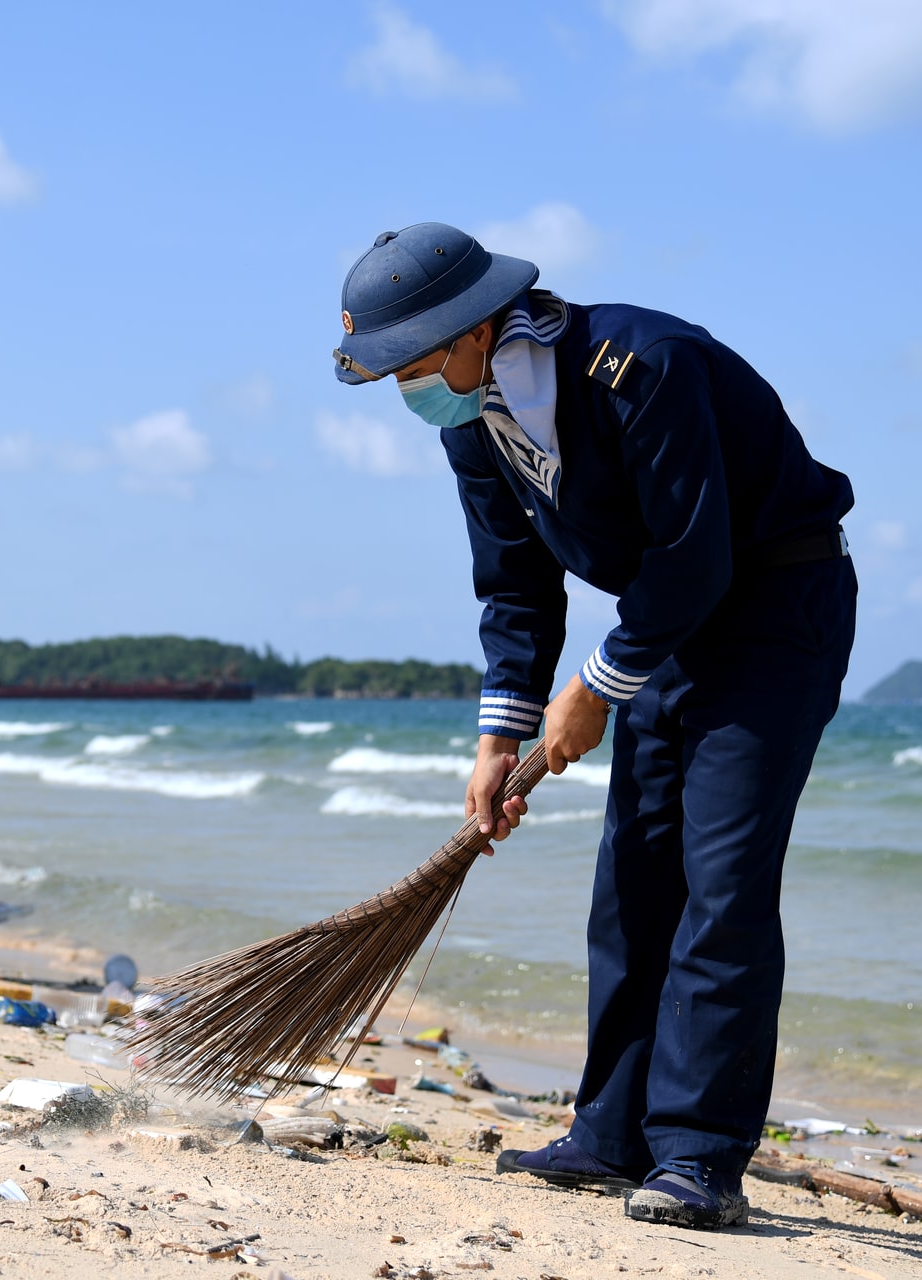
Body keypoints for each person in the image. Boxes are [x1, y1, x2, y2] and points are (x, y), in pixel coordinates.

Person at [334, 223, 855, 1230]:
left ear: (475, 330)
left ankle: (700, 1155)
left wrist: (596, 688)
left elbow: (695, 556)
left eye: (410, 361)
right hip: (661, 625)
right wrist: (500, 736)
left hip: (774, 605)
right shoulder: (470, 424)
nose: (404, 385)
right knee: (634, 880)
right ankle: (613, 1130)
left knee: (722, 880)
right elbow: (516, 587)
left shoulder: (640, 366)